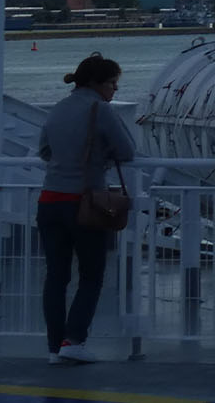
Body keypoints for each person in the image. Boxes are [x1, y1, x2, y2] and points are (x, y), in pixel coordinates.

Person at [36, 54, 136, 365]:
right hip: (83, 202)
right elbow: (127, 151)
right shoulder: (100, 109)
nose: (114, 91)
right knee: (92, 275)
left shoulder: (58, 108)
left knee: (56, 276)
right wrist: (98, 157)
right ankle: (74, 340)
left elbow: (43, 150)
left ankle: (55, 348)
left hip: (49, 201)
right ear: (97, 83)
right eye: (112, 84)